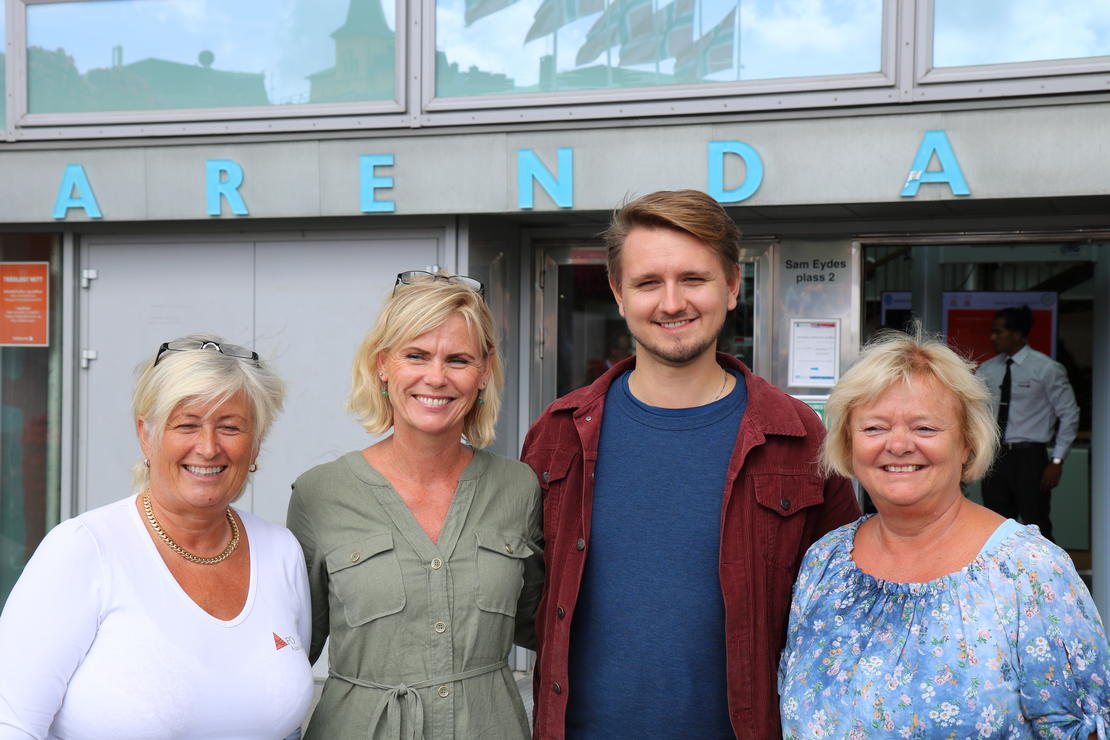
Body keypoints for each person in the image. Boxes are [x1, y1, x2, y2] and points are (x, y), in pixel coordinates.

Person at [520, 190, 860, 739]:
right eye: (648, 282)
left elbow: (845, 609)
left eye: (693, 279)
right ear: (618, 293)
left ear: (731, 287)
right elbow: (525, 597)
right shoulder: (557, 434)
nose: (672, 302)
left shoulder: (799, 437)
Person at [779, 327, 1110, 739]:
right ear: (848, 442)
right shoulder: (825, 562)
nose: (898, 445)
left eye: (925, 428)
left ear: (968, 443)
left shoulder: (1030, 573)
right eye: (874, 428)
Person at [0, 335, 313, 739]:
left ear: (255, 447)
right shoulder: (83, 549)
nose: (208, 447)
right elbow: (10, 724)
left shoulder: (281, 551)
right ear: (146, 435)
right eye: (187, 425)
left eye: (230, 427)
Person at [288, 270, 543, 739]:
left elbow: (549, 628)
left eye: (458, 359)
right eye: (416, 355)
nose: (436, 377)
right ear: (383, 364)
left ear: (484, 371)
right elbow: (289, 653)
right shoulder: (319, 495)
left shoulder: (519, 488)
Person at [978, 305, 1079, 542]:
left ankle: (1046, 577)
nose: (993, 338)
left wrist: (1057, 460)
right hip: (995, 456)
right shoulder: (988, 369)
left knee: (1037, 525)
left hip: (1030, 458)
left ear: (1017, 334)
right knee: (993, 526)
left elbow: (1069, 414)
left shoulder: (1046, 369)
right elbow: (976, 412)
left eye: (998, 332)